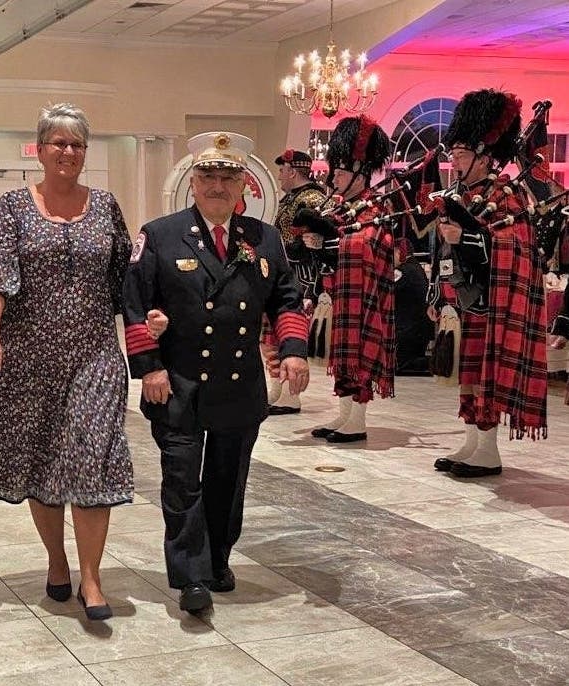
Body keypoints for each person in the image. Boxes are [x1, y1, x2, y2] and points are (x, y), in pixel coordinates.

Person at [0, 103, 144, 621]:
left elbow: (124, 279)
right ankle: (57, 561)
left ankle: (91, 578)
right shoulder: (13, 207)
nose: (68, 151)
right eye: (58, 142)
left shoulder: (105, 207)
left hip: (95, 354)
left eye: (77, 144)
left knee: (93, 456)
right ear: (39, 150)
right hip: (31, 355)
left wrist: (149, 322)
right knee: (43, 461)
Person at [122, 131, 310, 615]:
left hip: (238, 384)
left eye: (228, 176)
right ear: (193, 182)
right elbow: (135, 304)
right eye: (208, 175)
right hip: (178, 383)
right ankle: (189, 577)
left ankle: (218, 560)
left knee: (228, 482)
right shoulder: (160, 234)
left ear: (244, 183)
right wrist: (149, 368)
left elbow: (286, 298)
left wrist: (293, 350)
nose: (218, 185)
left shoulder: (263, 238)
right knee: (182, 481)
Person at [429, 89, 548, 477]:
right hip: (461, 301)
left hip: (489, 302)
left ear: (483, 155)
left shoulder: (504, 194)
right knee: (467, 376)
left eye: (461, 154)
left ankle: (488, 449)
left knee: (485, 377)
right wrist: (438, 291)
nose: (454, 160)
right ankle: (472, 442)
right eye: (453, 154)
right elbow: (443, 254)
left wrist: (462, 237)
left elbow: (514, 246)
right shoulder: (459, 195)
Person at [294, 115, 395, 443]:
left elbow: (371, 245)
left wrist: (332, 240)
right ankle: (345, 413)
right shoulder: (339, 206)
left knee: (359, 351)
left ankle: (359, 418)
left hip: (363, 293)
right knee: (341, 353)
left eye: (340, 171)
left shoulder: (374, 206)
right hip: (336, 291)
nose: (334, 176)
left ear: (359, 173)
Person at [267, 149, 327, 414]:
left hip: (302, 276)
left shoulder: (312, 199)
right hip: (284, 273)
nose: (279, 176)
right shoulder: (289, 199)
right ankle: (277, 389)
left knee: (289, 334)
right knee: (271, 336)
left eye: (282, 170)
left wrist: (312, 290)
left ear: (292, 170)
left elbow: (312, 245)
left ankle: (291, 395)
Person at [393, 239, 433, 375]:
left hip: (407, 331)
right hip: (419, 330)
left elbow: (386, 292)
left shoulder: (402, 271)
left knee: (398, 365)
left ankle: (436, 364)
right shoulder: (416, 267)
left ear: (399, 252)